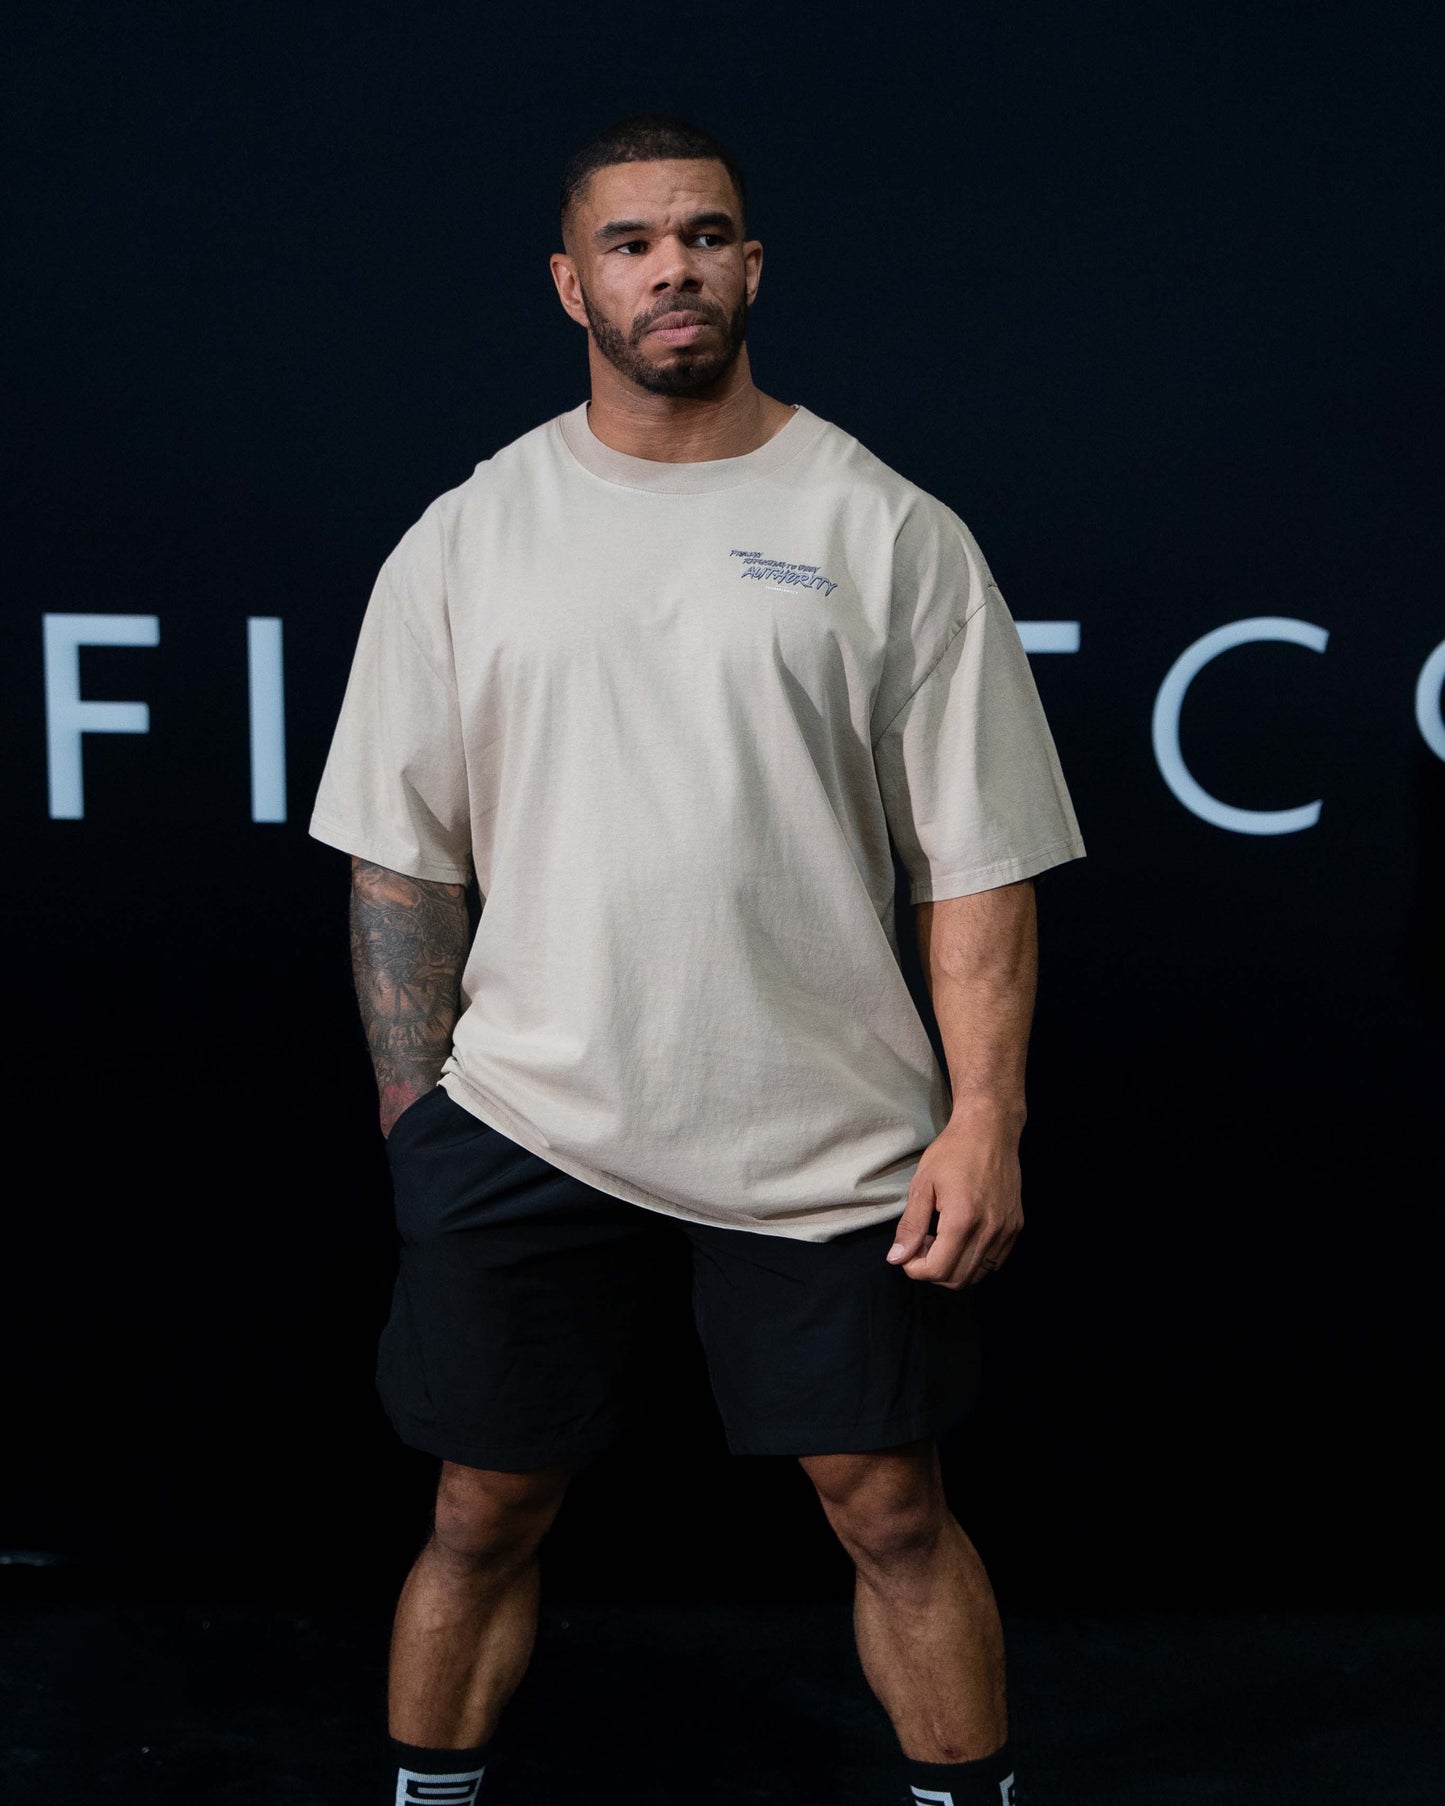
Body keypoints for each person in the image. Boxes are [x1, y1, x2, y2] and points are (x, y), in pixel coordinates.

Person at [310, 111, 1083, 1806]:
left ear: (752, 266)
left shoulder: (885, 528)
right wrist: (413, 1118)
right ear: (570, 283)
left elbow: (980, 867)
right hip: (524, 1116)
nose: (675, 266)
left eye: (707, 234)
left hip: (824, 1127)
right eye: (636, 242)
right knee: (479, 1505)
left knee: (889, 1505)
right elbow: (398, 857)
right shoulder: (471, 534)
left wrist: (985, 1119)